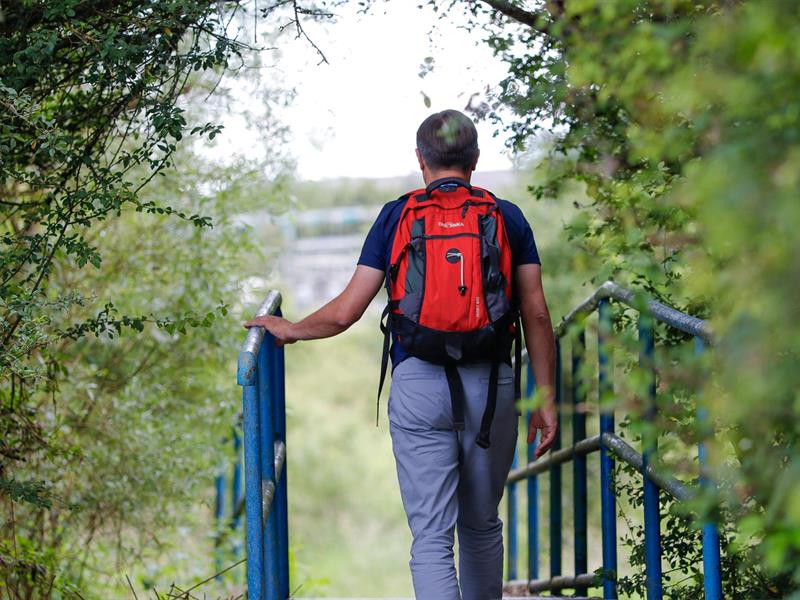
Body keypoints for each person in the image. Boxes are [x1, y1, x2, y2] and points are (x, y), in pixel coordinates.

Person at [244, 109, 558, 600]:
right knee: (481, 525)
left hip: (419, 385)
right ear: (475, 160)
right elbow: (536, 315)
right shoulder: (506, 217)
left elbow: (347, 311)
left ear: (420, 160)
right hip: (492, 389)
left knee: (432, 537)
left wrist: (292, 330)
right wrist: (547, 397)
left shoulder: (397, 216)